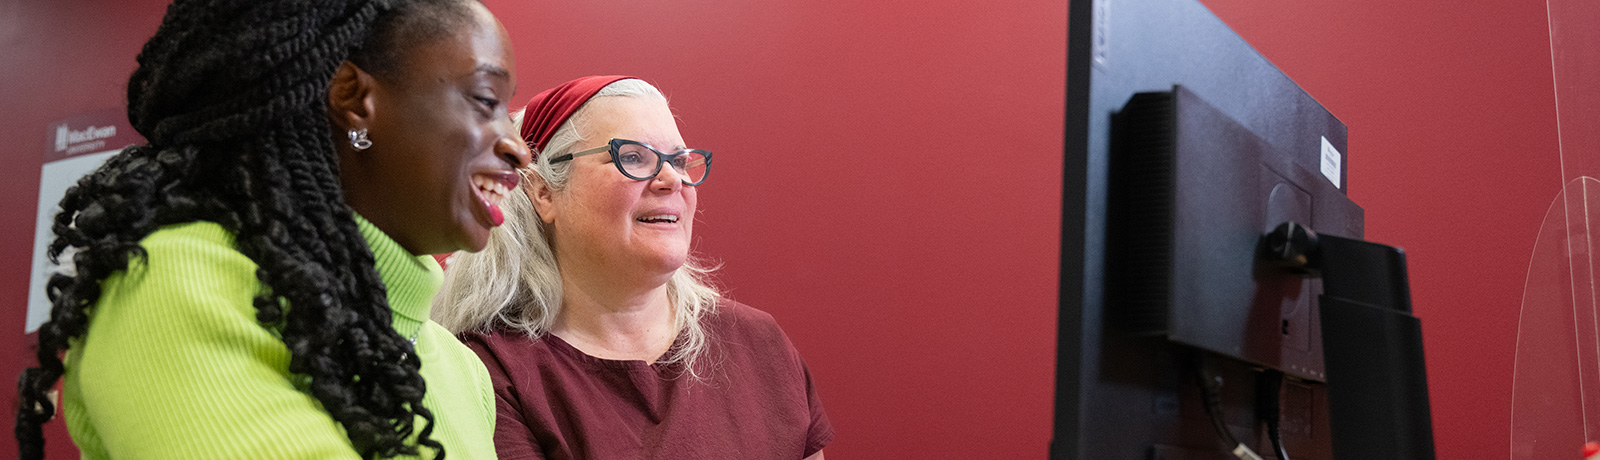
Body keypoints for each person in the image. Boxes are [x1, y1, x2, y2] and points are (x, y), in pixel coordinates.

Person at [13, 0, 530, 458]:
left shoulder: (463, 372)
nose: (518, 147)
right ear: (353, 98)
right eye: (486, 101)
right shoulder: (172, 282)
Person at [433, 75, 832, 460]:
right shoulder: (492, 372)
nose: (670, 180)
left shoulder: (758, 343)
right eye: (632, 157)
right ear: (543, 192)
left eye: (678, 161)